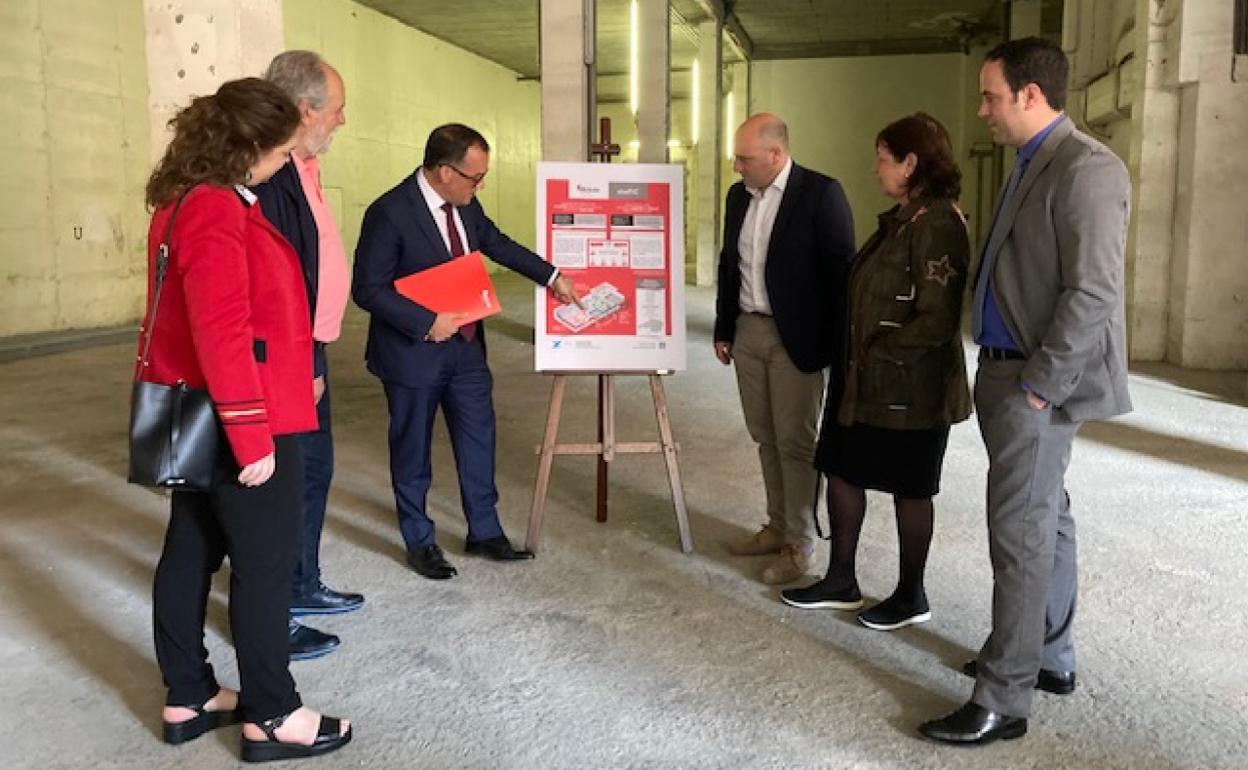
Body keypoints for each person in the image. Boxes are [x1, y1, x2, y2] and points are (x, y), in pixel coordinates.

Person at [919, 37, 1132, 745]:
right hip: (1006, 370)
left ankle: (1003, 697)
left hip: (1032, 379)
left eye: (991, 96)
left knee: (1019, 533)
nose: (982, 110)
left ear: (1031, 95)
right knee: (1048, 517)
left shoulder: (1086, 168)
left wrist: (1042, 385)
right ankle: (1049, 656)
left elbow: (1093, 291)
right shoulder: (1032, 161)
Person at [140, 77, 351, 762]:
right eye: (283, 151)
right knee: (264, 566)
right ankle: (272, 713)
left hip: (200, 410)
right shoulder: (214, 209)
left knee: (192, 546)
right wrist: (251, 434)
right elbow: (221, 328)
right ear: (251, 147)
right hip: (240, 414)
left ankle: (190, 694)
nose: (287, 162)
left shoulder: (187, 200)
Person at [352, 123, 581, 580]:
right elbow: (368, 289)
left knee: (479, 440)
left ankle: (485, 531)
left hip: (467, 350)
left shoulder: (465, 205)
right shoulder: (390, 212)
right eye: (475, 178)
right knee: (412, 452)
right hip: (413, 354)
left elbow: (497, 244)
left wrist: (552, 276)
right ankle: (420, 541)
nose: (480, 186)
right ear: (443, 171)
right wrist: (426, 322)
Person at [780, 113, 971, 629]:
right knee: (843, 469)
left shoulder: (938, 223)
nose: (876, 169)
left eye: (884, 159)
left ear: (911, 163)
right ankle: (841, 579)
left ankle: (911, 596)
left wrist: (876, 349)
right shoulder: (903, 218)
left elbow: (938, 319)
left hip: (911, 389)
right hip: (865, 381)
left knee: (911, 488)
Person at [252, 50, 362, 663]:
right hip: (290, 362)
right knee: (282, 488)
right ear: (304, 109)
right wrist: (306, 366)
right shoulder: (271, 179)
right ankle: (276, 612)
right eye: (336, 109)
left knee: (313, 474)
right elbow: (279, 286)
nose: (342, 119)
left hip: (310, 351)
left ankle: (301, 582)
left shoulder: (304, 168)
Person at [714, 113, 855, 585]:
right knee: (764, 436)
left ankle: (800, 543)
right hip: (748, 331)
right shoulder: (739, 196)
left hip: (796, 338)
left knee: (796, 442)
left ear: (776, 154)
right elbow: (728, 264)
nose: (737, 167)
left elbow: (841, 277)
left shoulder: (821, 194)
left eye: (744, 158)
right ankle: (777, 527)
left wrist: (833, 345)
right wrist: (724, 327)